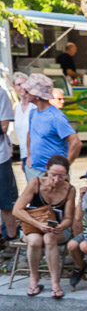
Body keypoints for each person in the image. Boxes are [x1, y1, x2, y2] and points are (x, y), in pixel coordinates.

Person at [11, 154, 75, 298]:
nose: (56, 180)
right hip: (33, 226)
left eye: (61, 176)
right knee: (35, 241)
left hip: (55, 230)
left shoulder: (70, 189)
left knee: (49, 238)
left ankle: (55, 283)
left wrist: (62, 226)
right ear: (46, 170)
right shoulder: (35, 183)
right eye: (53, 175)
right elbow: (17, 210)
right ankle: (34, 278)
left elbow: (68, 218)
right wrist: (38, 224)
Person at [23, 74, 81, 179]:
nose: (24, 93)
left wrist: (63, 168)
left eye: (28, 91)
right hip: (35, 170)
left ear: (37, 95)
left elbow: (76, 142)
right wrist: (29, 156)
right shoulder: (33, 113)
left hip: (53, 176)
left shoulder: (56, 117)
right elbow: (30, 133)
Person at [0, 82, 15, 244]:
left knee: (6, 202)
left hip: (0, 158)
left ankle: (11, 239)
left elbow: (3, 126)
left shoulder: (1, 94)